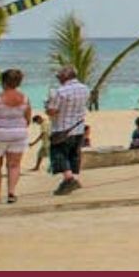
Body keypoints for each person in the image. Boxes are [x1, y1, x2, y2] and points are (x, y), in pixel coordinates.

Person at [0, 67, 31, 204]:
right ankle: (11, 193)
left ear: (3, 82)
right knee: (14, 165)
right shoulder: (25, 98)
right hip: (19, 134)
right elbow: (28, 119)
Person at [45, 64, 91, 196]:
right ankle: (72, 179)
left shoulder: (60, 91)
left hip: (62, 128)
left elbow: (53, 111)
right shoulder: (85, 89)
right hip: (78, 127)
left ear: (65, 76)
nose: (58, 78)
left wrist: (47, 107)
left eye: (59, 76)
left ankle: (69, 179)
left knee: (59, 153)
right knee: (73, 155)